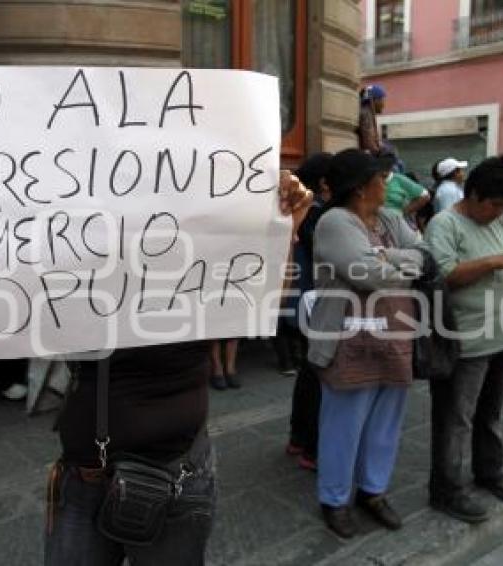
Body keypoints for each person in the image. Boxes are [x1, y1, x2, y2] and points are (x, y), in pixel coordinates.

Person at [42, 172, 313, 565]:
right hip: (83, 479)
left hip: (173, 479)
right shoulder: (80, 259)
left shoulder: (198, 261)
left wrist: (283, 228)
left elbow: (263, 303)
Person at [307, 149, 424, 538]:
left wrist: (387, 255)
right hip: (347, 337)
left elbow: (427, 256)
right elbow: (369, 275)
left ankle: (373, 491)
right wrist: (396, 265)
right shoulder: (335, 221)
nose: (387, 185)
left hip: (394, 333)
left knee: (386, 420)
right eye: (382, 178)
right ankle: (335, 499)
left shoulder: (389, 218)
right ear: (360, 188)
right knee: (344, 422)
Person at [424, 155, 503, 524]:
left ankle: (489, 472)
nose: (500, 212)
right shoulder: (444, 224)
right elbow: (442, 276)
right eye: (496, 204)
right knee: (456, 419)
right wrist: (491, 262)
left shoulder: (499, 222)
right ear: (474, 194)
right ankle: (447, 489)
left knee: (491, 414)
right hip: (467, 340)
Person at [285, 151, 333, 471]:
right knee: (319, 372)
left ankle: (298, 437)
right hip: (314, 301)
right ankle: (310, 445)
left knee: (308, 370)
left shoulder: (305, 210)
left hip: (301, 300)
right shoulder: (318, 215)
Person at [357, 84, 386, 154]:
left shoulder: (367, 113)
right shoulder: (366, 114)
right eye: (382, 99)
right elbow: (369, 142)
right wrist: (380, 152)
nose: (383, 104)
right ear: (374, 100)